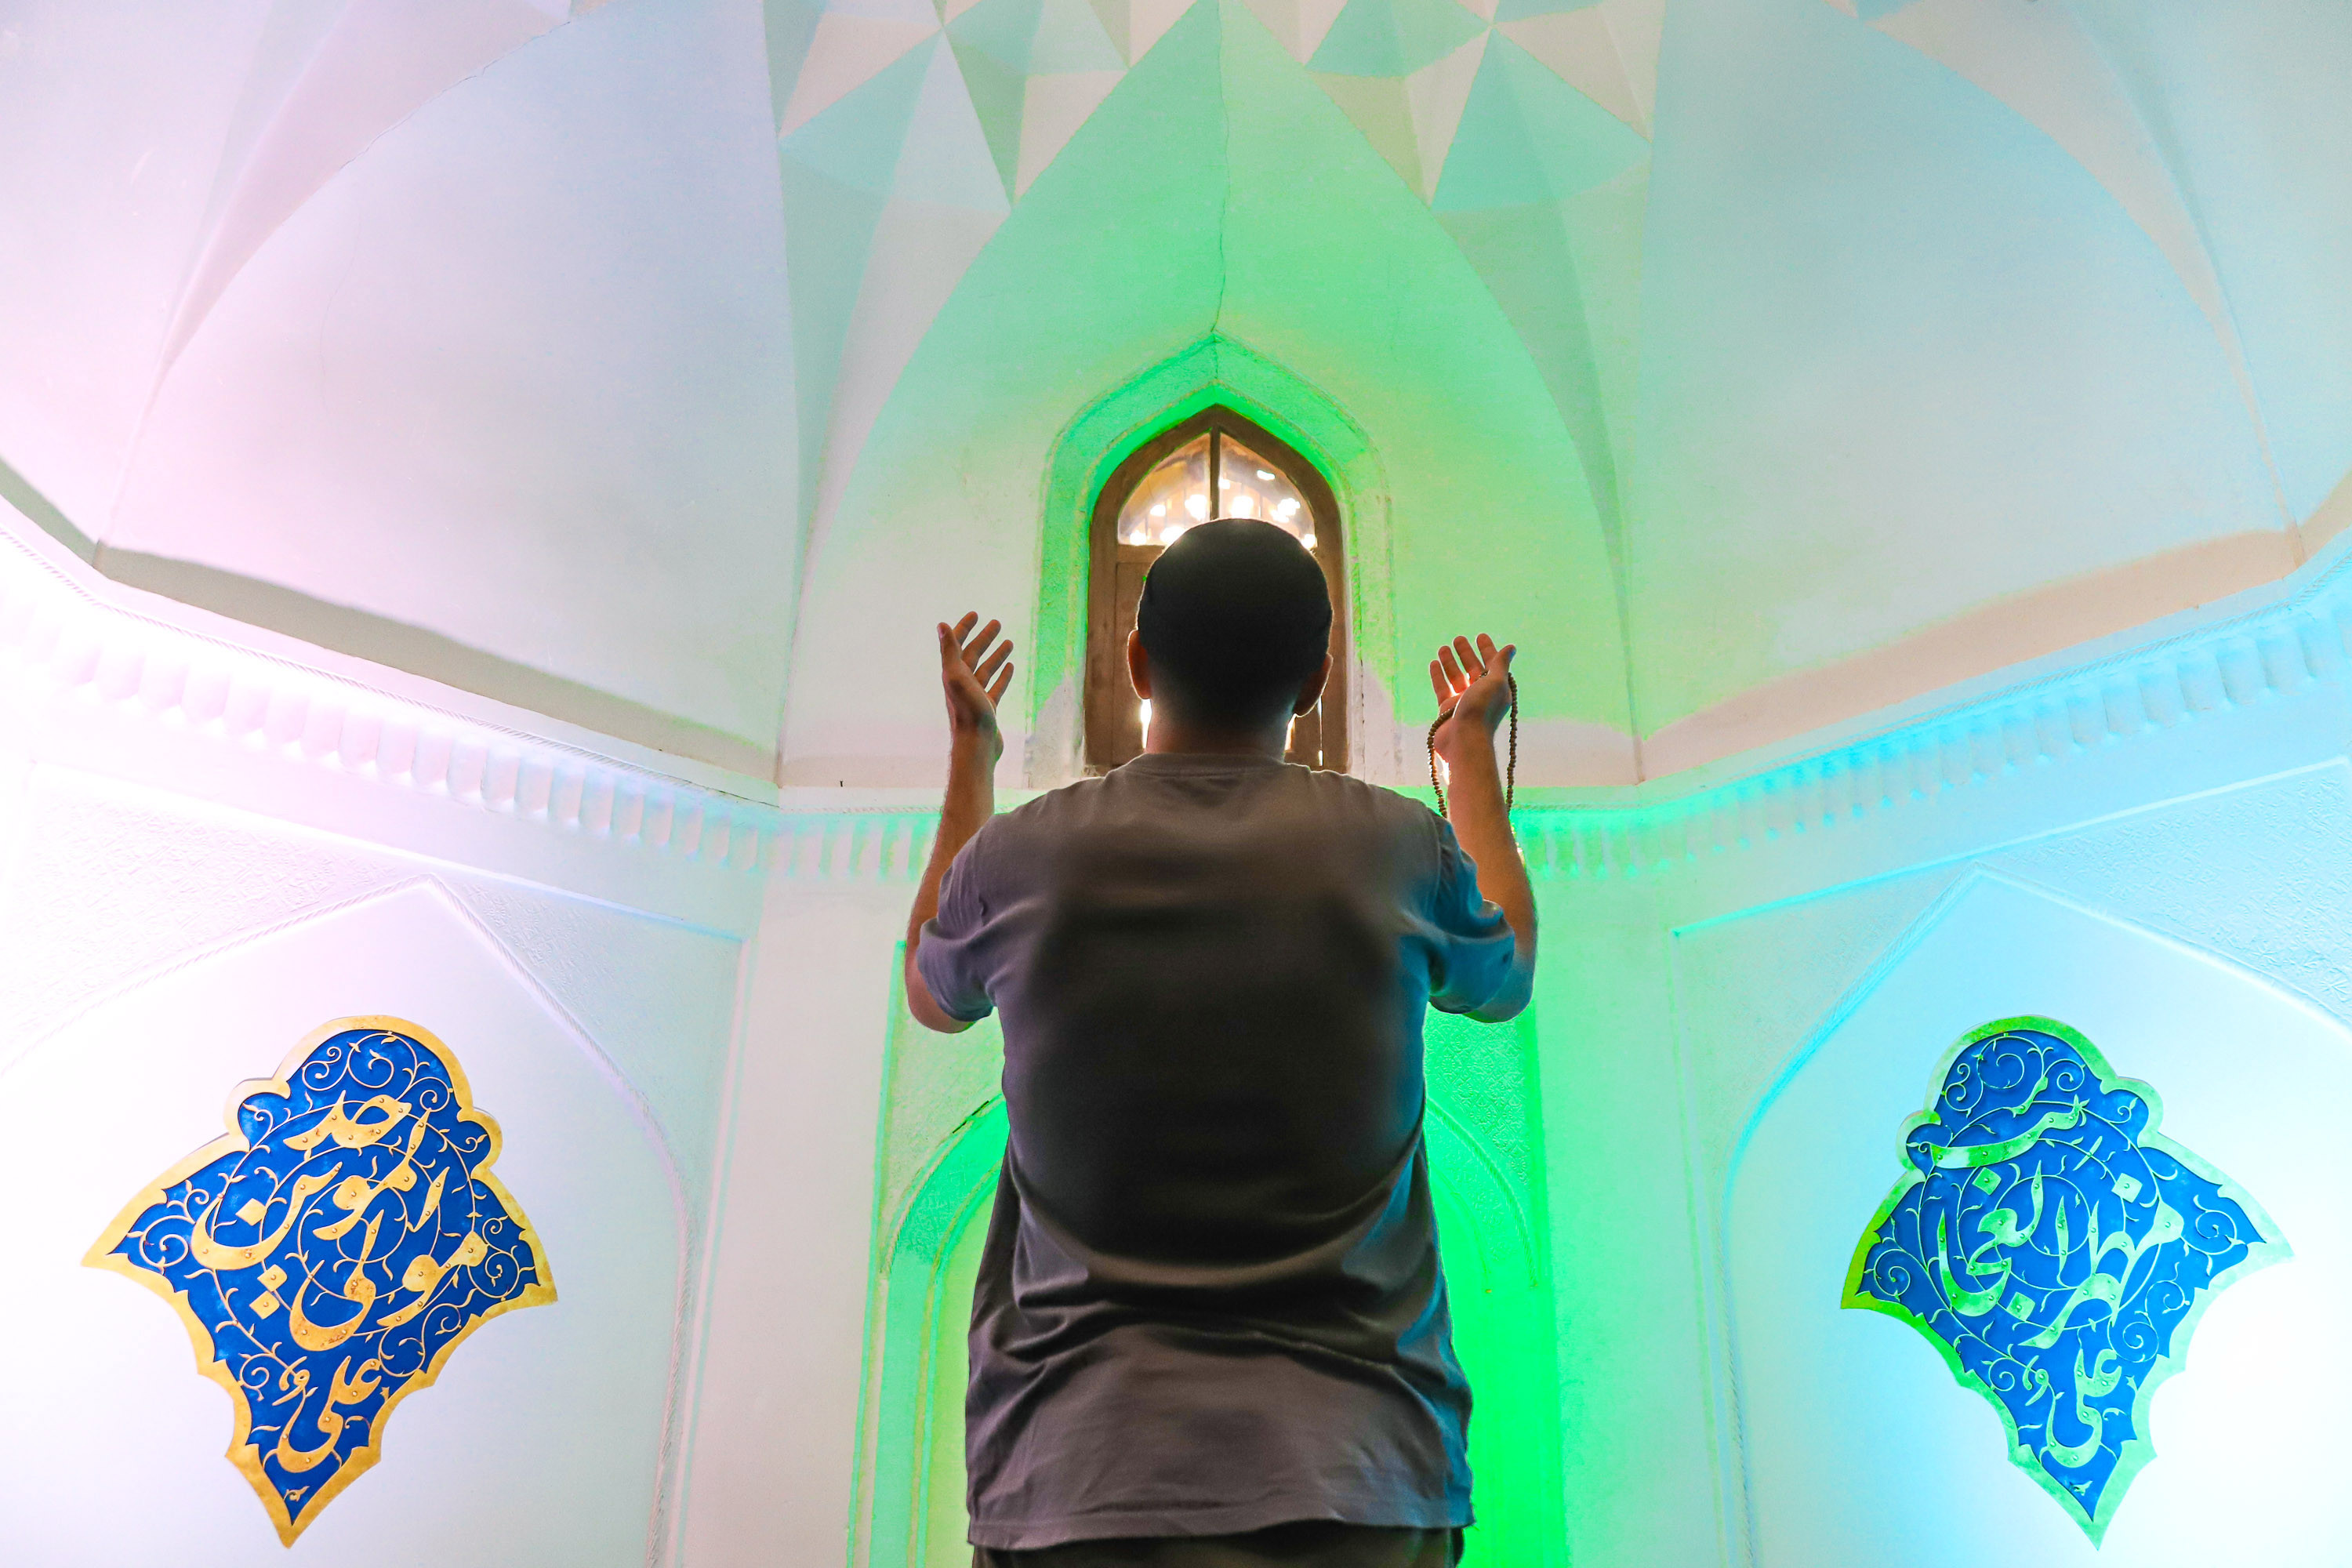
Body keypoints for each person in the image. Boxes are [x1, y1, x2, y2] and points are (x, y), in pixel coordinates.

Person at [903, 518, 1537, 1568]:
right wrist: (1466, 751)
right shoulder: (1394, 847)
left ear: (1138, 664)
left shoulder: (1021, 857)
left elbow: (932, 993)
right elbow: (1505, 972)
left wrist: (973, 754)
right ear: (1317, 680)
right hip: (1355, 1479)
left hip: (1078, 1478)